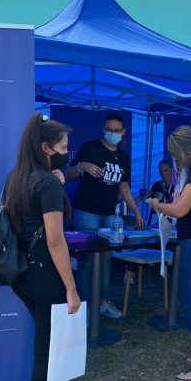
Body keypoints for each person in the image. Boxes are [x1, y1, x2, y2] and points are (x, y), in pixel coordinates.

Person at [5, 112, 80, 381]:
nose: (66, 154)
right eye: (62, 149)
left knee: (45, 345)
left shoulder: (16, 175)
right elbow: (55, 240)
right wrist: (71, 289)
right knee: (46, 353)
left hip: (20, 272)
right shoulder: (46, 182)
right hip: (44, 274)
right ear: (45, 149)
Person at [147, 126, 191, 381]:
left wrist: (157, 204)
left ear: (184, 150)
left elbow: (179, 209)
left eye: (175, 155)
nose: (174, 161)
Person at [66, 112, 144, 319]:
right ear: (103, 129)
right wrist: (82, 166)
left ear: (123, 132)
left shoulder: (123, 157)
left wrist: (136, 212)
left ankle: (101, 301)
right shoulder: (91, 148)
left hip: (110, 215)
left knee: (106, 259)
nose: (113, 133)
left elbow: (124, 188)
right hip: (87, 213)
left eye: (117, 130)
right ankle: (83, 306)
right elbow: (68, 174)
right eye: (109, 129)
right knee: (87, 261)